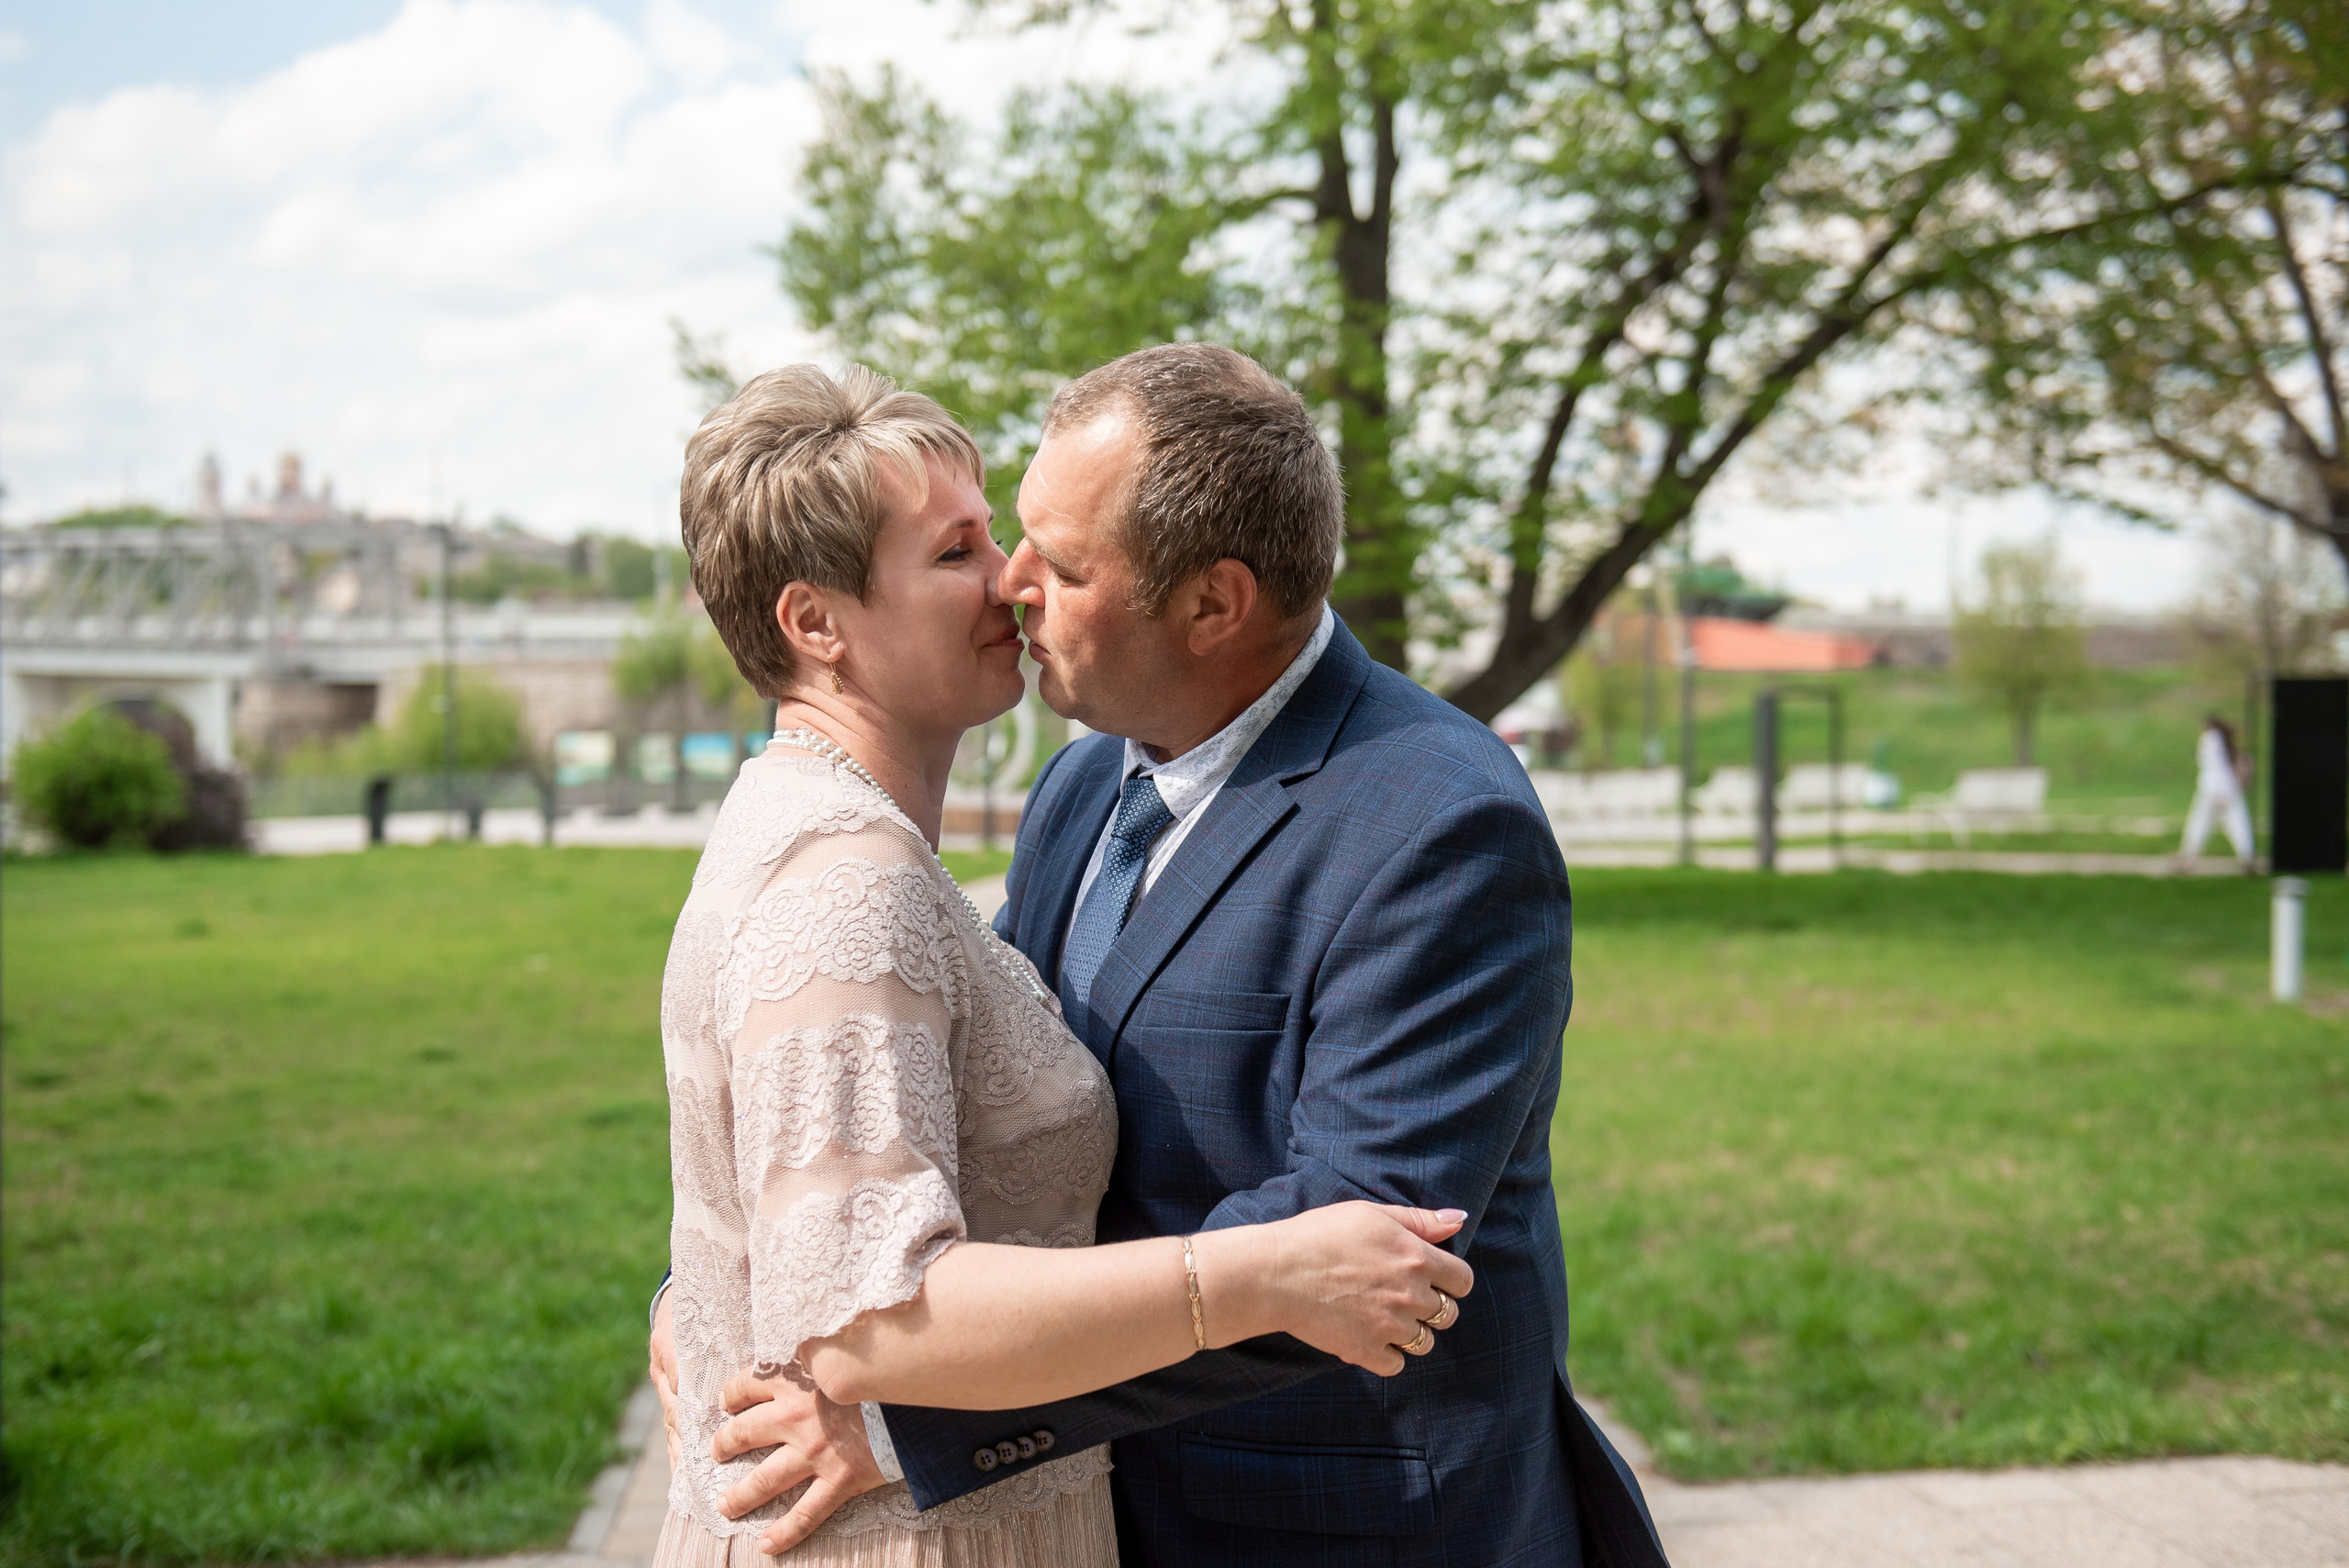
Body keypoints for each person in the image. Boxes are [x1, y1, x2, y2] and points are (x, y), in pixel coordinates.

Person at [659, 345, 1667, 1568]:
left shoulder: (1441, 826)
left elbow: (1360, 1249)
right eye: (995, 540)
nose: (1015, 588)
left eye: (1063, 564)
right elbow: (979, 1114)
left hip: (1341, 1526)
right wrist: (730, 1285)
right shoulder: (1083, 783)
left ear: (1212, 604)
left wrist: (912, 1417)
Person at [2180, 714, 2255, 868]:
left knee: (2199, 824)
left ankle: (2187, 859)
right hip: (2229, 791)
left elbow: (2215, 769)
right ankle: (2246, 857)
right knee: (2238, 824)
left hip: (2212, 791)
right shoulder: (2223, 743)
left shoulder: (2210, 739)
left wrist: (2218, 793)